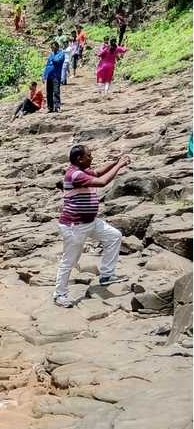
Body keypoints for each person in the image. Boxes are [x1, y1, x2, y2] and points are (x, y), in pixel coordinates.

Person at [53, 145, 131, 308]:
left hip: (90, 221)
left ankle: (106, 275)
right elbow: (102, 182)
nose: (92, 158)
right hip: (74, 225)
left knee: (114, 236)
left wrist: (114, 162)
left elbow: (98, 173)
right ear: (79, 159)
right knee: (70, 260)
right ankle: (60, 294)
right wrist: (119, 165)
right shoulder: (75, 174)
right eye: (89, 156)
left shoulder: (82, 169)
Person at [42, 42, 65, 112]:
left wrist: (52, 56)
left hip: (56, 76)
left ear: (57, 47)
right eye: (51, 47)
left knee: (56, 92)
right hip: (49, 76)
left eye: (53, 47)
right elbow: (47, 66)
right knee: (49, 93)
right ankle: (50, 107)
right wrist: (44, 75)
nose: (52, 49)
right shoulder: (51, 55)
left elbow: (57, 61)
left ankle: (57, 107)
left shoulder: (61, 54)